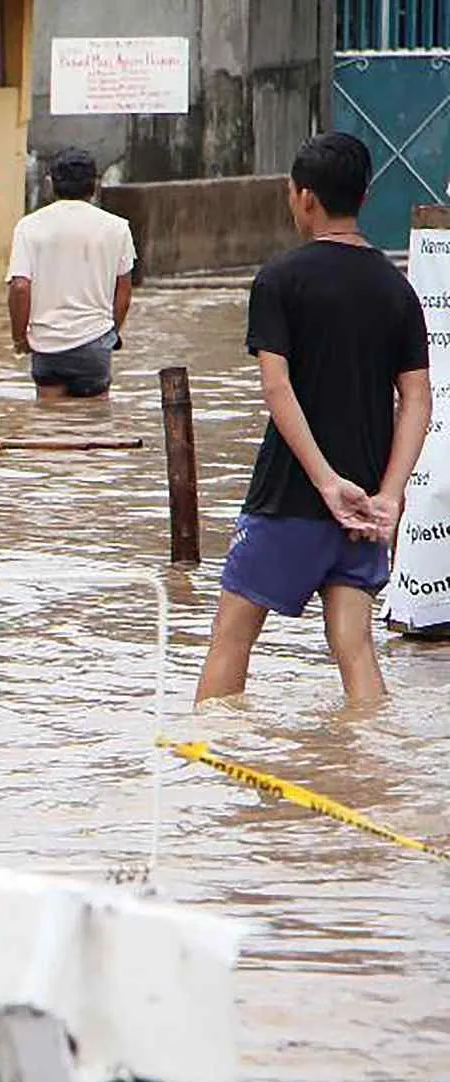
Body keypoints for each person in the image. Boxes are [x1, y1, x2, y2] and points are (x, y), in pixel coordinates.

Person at [195, 132, 432, 704]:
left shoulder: (280, 280)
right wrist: (391, 497)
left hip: (290, 497)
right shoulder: (396, 288)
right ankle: (372, 770)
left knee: (231, 639)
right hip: (367, 506)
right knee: (354, 646)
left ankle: (204, 772)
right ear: (365, 196)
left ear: (303, 197)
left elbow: (277, 388)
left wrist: (325, 482)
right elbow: (418, 400)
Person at [7, 149, 136, 398]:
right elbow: (124, 292)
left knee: (50, 427)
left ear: (51, 184)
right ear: (95, 185)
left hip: (46, 344)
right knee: (95, 426)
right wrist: (110, 332)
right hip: (95, 343)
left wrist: (19, 339)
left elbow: (20, 287)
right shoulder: (118, 228)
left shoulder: (28, 226)